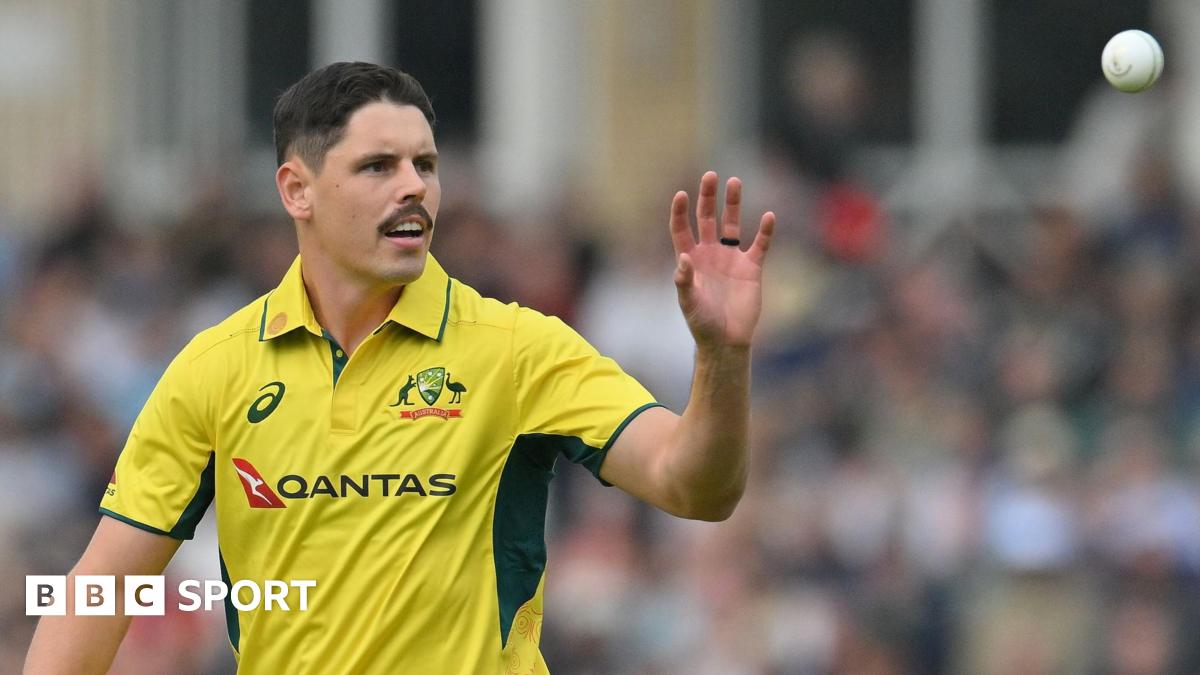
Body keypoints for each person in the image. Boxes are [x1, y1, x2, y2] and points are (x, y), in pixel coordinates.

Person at [24, 61, 776, 674]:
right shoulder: (214, 368)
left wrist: (721, 357)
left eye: (426, 164)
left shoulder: (518, 349)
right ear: (297, 190)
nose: (413, 185)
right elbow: (101, 586)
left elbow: (695, 484)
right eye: (378, 166)